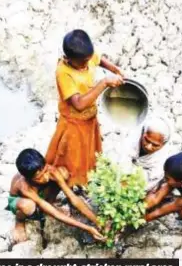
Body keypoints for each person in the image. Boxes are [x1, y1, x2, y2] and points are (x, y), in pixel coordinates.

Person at [45, 29, 124, 188]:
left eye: (88, 60)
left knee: (88, 157)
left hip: (89, 121)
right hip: (73, 125)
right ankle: (58, 189)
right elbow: (79, 104)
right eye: (82, 62)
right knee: (68, 162)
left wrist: (115, 70)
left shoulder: (87, 56)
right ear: (68, 58)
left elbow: (99, 59)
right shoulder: (64, 72)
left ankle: (83, 182)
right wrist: (103, 83)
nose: (86, 65)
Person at [6, 148, 106, 243]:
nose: (45, 178)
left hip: (40, 193)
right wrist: (88, 228)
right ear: (28, 179)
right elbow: (55, 214)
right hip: (20, 200)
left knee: (63, 173)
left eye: (45, 171)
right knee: (28, 206)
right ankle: (19, 222)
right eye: (39, 178)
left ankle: (50, 202)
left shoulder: (50, 171)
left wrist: (97, 221)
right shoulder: (24, 186)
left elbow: (73, 197)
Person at [119, 116, 176, 190]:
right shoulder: (133, 136)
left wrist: (132, 182)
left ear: (163, 144)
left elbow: (149, 182)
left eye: (155, 145)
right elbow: (123, 156)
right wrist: (124, 175)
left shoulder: (163, 160)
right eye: (147, 140)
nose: (148, 147)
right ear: (143, 133)